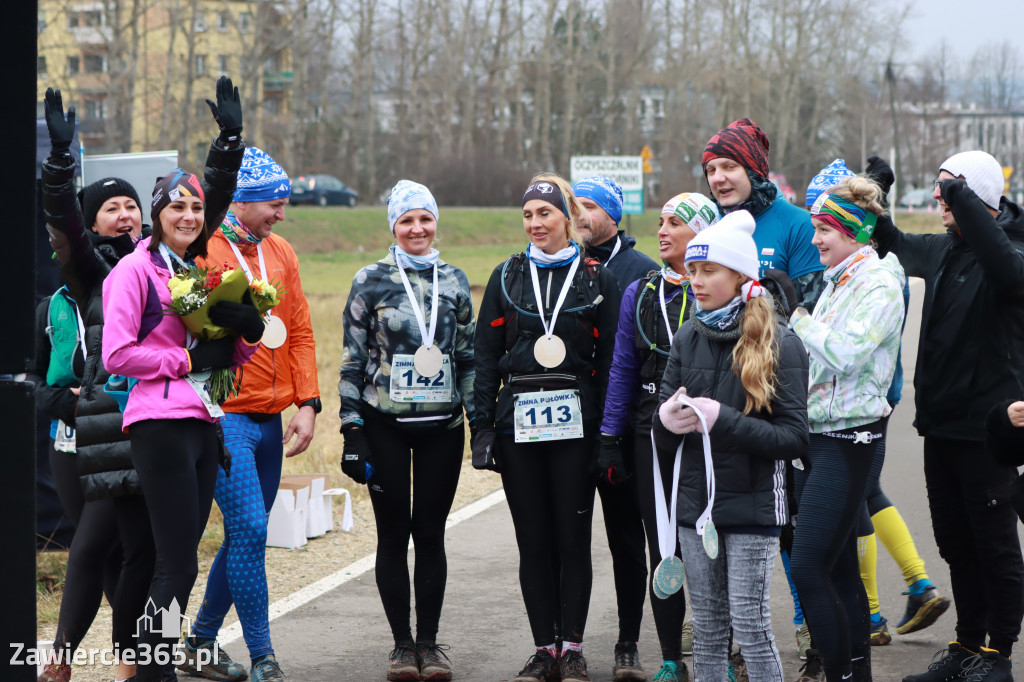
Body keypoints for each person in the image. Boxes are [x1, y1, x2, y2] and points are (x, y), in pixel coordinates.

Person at [102, 76, 263, 682]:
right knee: (176, 566)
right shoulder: (134, 273)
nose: (190, 215)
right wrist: (185, 362)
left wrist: (243, 333)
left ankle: (153, 666)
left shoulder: (198, 269)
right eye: (178, 207)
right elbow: (118, 354)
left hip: (203, 421)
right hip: (159, 422)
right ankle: (153, 672)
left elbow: (222, 359)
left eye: (197, 208)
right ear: (157, 214)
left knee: (180, 563)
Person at [872, 152, 1024, 682]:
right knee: (956, 545)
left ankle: (998, 655)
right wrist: (874, 191)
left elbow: (1004, 267)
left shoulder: (1013, 251)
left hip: (988, 432)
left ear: (972, 195)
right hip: (939, 428)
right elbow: (887, 240)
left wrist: (962, 193)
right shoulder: (943, 250)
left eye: (946, 191)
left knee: (994, 545)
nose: (937, 200)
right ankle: (966, 645)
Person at [472, 174, 620, 682]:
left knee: (573, 538)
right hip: (520, 427)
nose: (536, 224)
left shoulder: (594, 276)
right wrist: (483, 428)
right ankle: (543, 649)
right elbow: (485, 357)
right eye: (529, 215)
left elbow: (608, 361)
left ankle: (572, 648)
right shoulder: (507, 275)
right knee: (533, 541)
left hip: (576, 428)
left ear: (567, 218)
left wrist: (607, 436)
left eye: (546, 214)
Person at [180, 147, 320, 682]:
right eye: (274, 204)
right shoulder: (203, 247)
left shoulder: (281, 250)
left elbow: (301, 330)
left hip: (270, 416)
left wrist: (307, 403)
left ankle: (199, 641)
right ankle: (264, 655)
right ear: (241, 201)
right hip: (223, 411)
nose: (281, 214)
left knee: (246, 536)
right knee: (251, 529)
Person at [654, 209, 809, 682]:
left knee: (751, 624)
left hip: (755, 507)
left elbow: (793, 438)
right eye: (693, 270)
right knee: (708, 628)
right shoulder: (686, 336)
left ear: (740, 275)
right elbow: (665, 406)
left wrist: (722, 420)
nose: (695, 280)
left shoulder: (781, 341)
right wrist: (667, 418)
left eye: (708, 271)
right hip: (695, 508)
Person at [338, 180, 475, 682]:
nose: (417, 228)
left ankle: (430, 645)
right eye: (406, 220)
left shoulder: (455, 280)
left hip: (442, 427)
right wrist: (352, 429)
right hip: (385, 425)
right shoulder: (370, 279)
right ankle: (401, 647)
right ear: (392, 227)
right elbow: (352, 360)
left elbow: (467, 359)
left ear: (436, 223)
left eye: (425, 219)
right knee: (394, 533)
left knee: (431, 534)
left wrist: (479, 424)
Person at [34, 87, 148, 682]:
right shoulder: (78, 284)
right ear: (90, 223)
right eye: (112, 208)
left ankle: (128, 656)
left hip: (148, 432)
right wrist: (58, 166)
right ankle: (80, 656)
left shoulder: (162, 272)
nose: (125, 215)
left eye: (132, 206)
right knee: (95, 545)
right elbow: (40, 382)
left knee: (128, 550)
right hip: (76, 440)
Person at [787, 177, 906, 682]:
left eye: (824, 230)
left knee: (810, 568)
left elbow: (844, 353)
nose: (816, 240)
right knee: (836, 571)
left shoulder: (878, 283)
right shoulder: (840, 276)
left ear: (854, 232)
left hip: (848, 440)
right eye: (814, 228)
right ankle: (856, 674)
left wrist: (792, 314)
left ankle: (838, 673)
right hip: (816, 437)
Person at [599, 191, 720, 682]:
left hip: (709, 436)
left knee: (715, 548)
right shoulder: (641, 292)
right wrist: (610, 435)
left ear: (703, 235)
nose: (662, 230)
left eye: (675, 222)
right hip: (651, 435)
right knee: (662, 549)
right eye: (662, 220)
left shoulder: (722, 289)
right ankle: (672, 658)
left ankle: (720, 655)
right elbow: (623, 368)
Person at [572, 174, 657, 680]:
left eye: (588, 205)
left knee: (628, 541)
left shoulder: (641, 271)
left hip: (623, 431)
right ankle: (563, 644)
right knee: (569, 539)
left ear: (612, 213)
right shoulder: (556, 264)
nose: (578, 214)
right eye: (573, 205)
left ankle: (629, 642)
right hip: (568, 428)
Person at [701, 118, 825, 309]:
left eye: (729, 166)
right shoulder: (707, 225)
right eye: (711, 170)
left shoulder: (800, 226)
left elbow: (812, 314)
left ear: (754, 171)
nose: (718, 178)